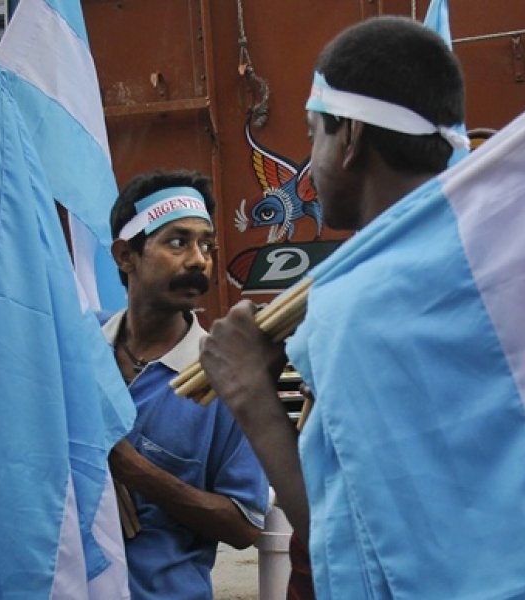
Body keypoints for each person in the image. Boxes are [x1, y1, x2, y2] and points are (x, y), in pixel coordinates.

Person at [198, 16, 466, 599]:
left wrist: (248, 392)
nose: (311, 160)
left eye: (315, 132)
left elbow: (354, 538)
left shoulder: (363, 301)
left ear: (350, 137)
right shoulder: (466, 258)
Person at [104, 169, 269, 600]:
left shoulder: (230, 380)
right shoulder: (81, 348)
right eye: (178, 242)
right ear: (126, 256)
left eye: (207, 245)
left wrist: (132, 468)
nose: (199, 259)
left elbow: (244, 525)